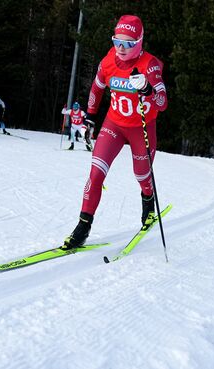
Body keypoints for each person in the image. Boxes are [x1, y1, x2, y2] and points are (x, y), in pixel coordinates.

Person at [62, 14, 168, 249]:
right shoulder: (108, 61)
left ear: (139, 41)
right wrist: (90, 114)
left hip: (141, 128)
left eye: (128, 43)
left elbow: (162, 103)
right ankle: (83, 226)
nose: (120, 47)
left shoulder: (149, 65)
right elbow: (97, 86)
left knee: (142, 175)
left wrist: (149, 89)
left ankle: (148, 202)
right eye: (116, 41)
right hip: (114, 125)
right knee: (96, 173)